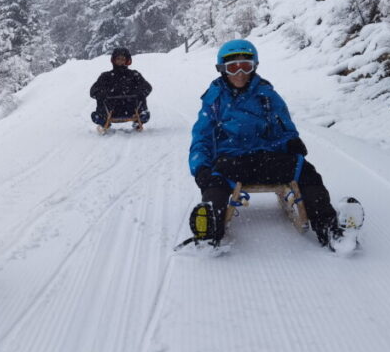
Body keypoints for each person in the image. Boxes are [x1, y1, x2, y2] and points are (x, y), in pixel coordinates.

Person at [188, 38, 345, 249]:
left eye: (246, 66)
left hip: (266, 158)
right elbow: (202, 136)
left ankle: (329, 228)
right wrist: (201, 168)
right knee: (215, 181)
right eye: (233, 67)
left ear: (254, 67)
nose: (240, 73)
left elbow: (285, 126)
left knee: (305, 171)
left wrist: (291, 141)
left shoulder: (267, 96)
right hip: (232, 161)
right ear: (222, 69)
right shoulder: (215, 100)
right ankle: (208, 230)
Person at [90, 46, 152, 128]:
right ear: (114, 60)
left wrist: (139, 92)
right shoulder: (106, 76)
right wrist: (103, 94)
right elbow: (93, 91)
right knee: (95, 114)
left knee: (145, 108)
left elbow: (147, 87)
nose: (120, 61)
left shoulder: (133, 74)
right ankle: (103, 121)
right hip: (111, 110)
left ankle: (140, 118)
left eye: (123, 59)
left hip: (132, 109)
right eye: (118, 59)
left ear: (127, 61)